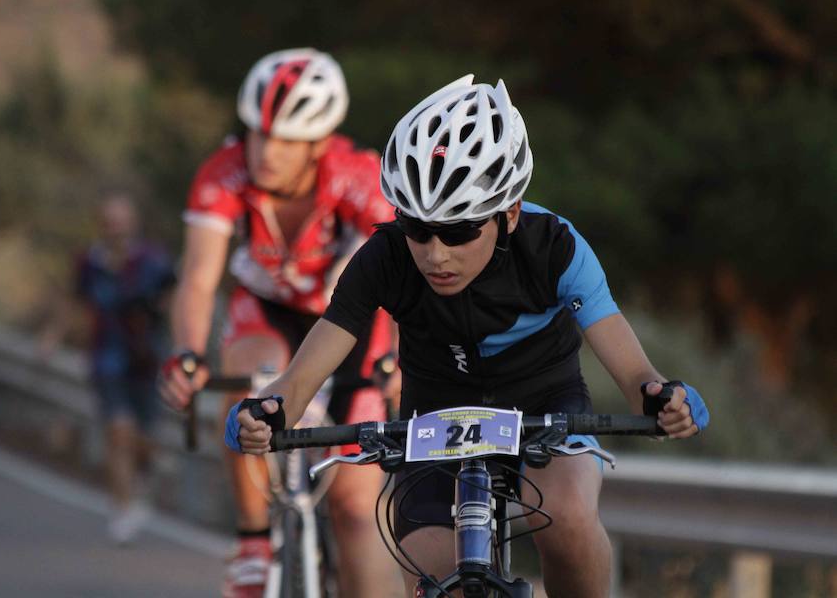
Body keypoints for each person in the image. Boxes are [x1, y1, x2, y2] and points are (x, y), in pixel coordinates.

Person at [226, 75, 711, 598]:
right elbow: (321, 348)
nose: (436, 255)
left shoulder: (554, 247)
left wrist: (658, 394)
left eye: (458, 232)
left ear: (509, 214)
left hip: (543, 398)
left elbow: (621, 348)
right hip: (436, 409)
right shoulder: (385, 256)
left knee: (569, 517)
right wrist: (273, 409)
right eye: (418, 229)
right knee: (439, 580)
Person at [158, 48, 400, 598]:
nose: (267, 151)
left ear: (320, 143)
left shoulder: (359, 176)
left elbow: (402, 279)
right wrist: (188, 354)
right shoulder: (224, 173)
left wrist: (397, 361)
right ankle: (252, 541)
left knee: (357, 512)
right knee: (252, 377)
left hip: (350, 322)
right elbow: (198, 278)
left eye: (289, 139)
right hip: (266, 310)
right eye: (259, 133)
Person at [40, 193, 176, 545]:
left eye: (121, 219)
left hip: (146, 359)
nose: (115, 226)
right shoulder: (89, 262)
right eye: (109, 220)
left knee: (145, 440)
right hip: (106, 358)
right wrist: (53, 337)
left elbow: (176, 298)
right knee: (118, 431)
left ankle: (142, 473)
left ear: (133, 222)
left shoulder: (153, 261)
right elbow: (74, 301)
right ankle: (123, 507)